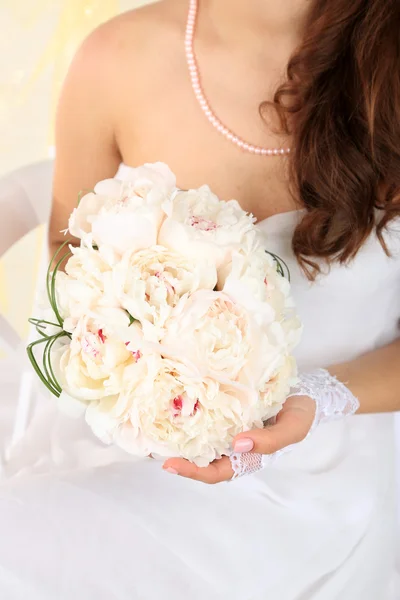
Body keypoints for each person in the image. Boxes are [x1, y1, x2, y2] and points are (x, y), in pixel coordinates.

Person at [0, 0, 399, 598]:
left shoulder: (386, 68)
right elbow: (69, 287)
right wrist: (139, 373)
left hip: (319, 491)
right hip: (129, 456)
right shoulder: (116, 60)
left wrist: (319, 397)